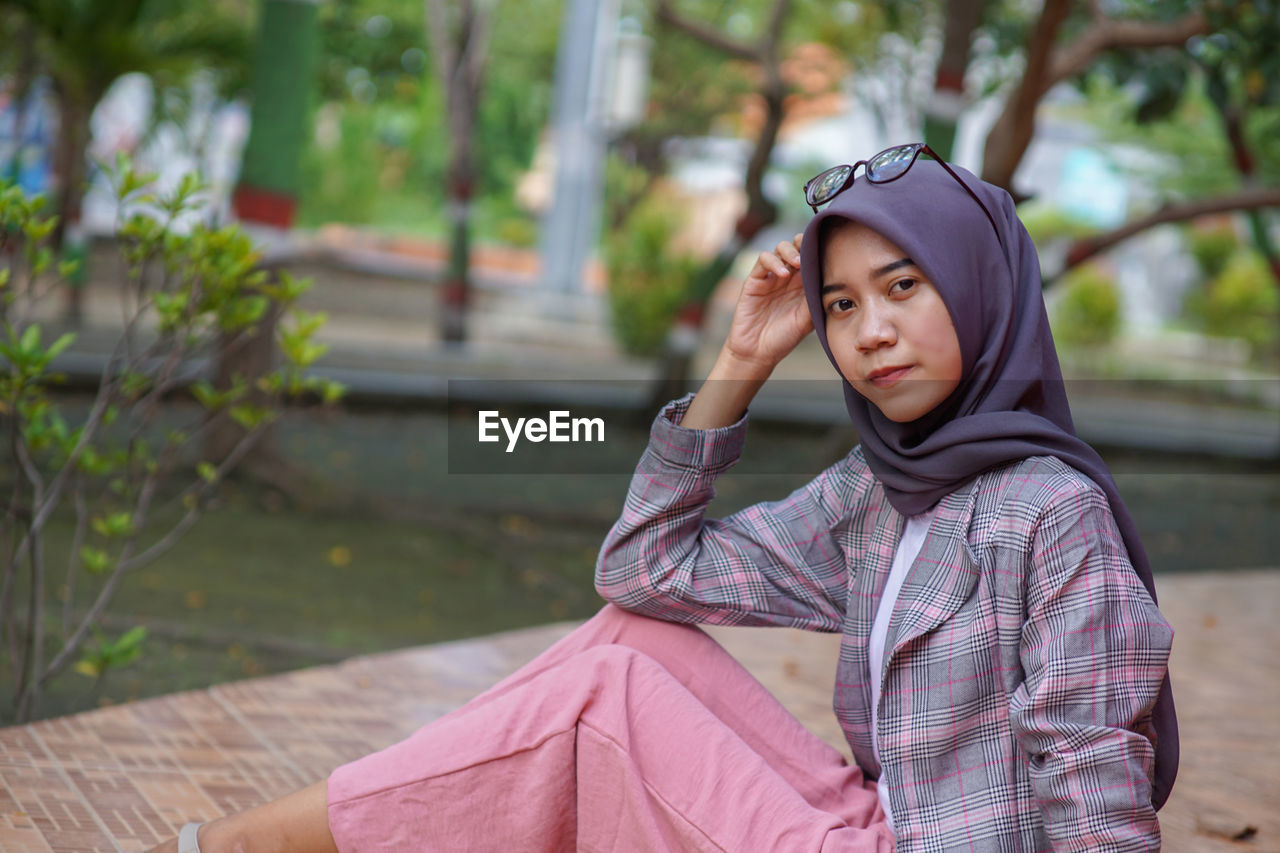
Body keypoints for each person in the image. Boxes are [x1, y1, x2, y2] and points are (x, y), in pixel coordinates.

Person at [151, 145, 1176, 853]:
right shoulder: (881, 490)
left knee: (604, 701)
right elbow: (644, 571)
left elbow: (1089, 765)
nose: (867, 331)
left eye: (904, 286)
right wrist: (738, 361)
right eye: (840, 303)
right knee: (629, 644)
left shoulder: (1049, 510)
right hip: (874, 820)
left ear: (980, 284)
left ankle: (244, 846)